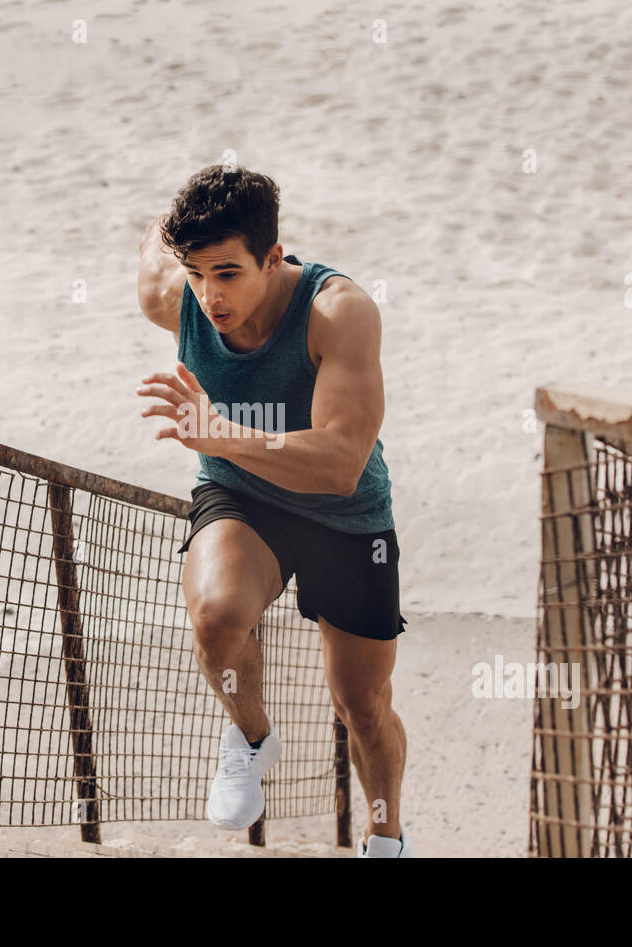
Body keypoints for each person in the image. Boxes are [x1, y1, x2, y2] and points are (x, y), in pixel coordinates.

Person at [135, 164, 410, 858]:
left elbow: (341, 463)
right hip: (242, 497)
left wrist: (219, 433)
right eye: (195, 273)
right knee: (217, 615)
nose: (209, 295)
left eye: (227, 273)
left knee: (363, 708)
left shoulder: (338, 311)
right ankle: (252, 737)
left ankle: (387, 839)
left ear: (274, 255)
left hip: (344, 517)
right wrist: (175, 204)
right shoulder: (171, 296)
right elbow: (154, 250)